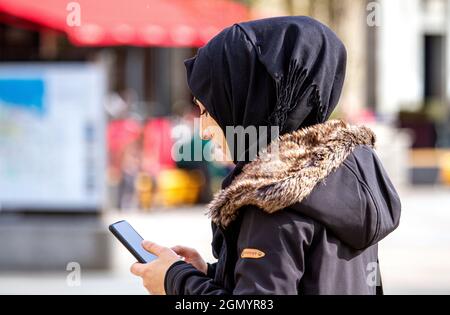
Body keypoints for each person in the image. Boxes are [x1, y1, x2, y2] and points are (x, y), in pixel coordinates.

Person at [130, 16, 401, 295]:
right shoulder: (349, 176)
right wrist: (215, 273)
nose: (204, 131)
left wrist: (176, 283)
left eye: (207, 111)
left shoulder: (275, 196)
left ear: (248, 103)